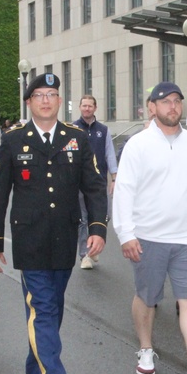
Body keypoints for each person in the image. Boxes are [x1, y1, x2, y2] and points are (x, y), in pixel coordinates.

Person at [0, 73, 107, 374]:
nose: (46, 101)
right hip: (30, 239)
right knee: (43, 307)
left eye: (52, 94)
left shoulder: (76, 139)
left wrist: (97, 229)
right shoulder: (11, 141)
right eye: (39, 95)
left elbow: (94, 187)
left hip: (65, 237)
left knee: (52, 304)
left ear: (59, 101)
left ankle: (33, 363)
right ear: (29, 102)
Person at [113, 81, 187, 374]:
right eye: (165, 101)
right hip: (148, 238)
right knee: (147, 297)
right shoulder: (137, 145)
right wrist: (126, 234)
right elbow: (124, 192)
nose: (173, 106)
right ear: (152, 107)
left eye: (177, 101)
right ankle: (146, 349)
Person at [72, 94, 117, 270]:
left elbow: (110, 154)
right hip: (79, 183)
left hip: (99, 183)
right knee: (83, 219)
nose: (87, 109)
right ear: (80, 107)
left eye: (90, 106)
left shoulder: (103, 130)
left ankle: (94, 245)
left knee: (104, 215)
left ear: (95, 108)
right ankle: (85, 255)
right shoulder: (73, 129)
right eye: (84, 106)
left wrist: (114, 177)